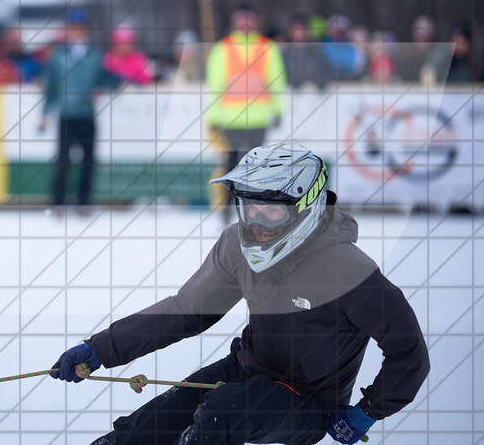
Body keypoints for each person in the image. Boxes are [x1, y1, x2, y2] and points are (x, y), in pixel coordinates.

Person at [51, 141, 429, 445]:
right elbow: (186, 311)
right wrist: (102, 347)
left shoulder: (348, 270)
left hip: (308, 403)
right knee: (154, 422)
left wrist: (367, 411)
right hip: (246, 369)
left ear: (305, 207)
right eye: (249, 208)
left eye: (272, 212)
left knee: (224, 410)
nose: (257, 223)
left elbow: (409, 353)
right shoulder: (236, 246)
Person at [205, 5, 286, 213]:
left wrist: (278, 109)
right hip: (230, 118)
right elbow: (215, 86)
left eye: (249, 19)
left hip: (259, 118)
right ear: (234, 21)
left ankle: (250, 210)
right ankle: (226, 209)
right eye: (241, 19)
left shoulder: (268, 47)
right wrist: (213, 116)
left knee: (255, 168)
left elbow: (277, 82)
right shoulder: (222, 48)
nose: (245, 23)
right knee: (230, 166)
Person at [39, 8, 118, 209]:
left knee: (88, 162)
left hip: (87, 115)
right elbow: (52, 87)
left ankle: (83, 202)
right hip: (67, 116)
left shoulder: (95, 54)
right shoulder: (58, 56)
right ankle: (58, 202)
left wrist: (109, 85)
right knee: (63, 162)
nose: (77, 33)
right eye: (74, 29)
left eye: (80, 29)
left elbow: (105, 77)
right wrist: (45, 114)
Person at [279, 16, 331, 90]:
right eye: (297, 29)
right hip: (291, 97)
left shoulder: (318, 54)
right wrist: (293, 81)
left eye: (303, 29)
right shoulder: (284, 56)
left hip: (317, 97)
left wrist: (320, 82)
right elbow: (279, 76)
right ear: (290, 31)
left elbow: (328, 73)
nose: (300, 32)